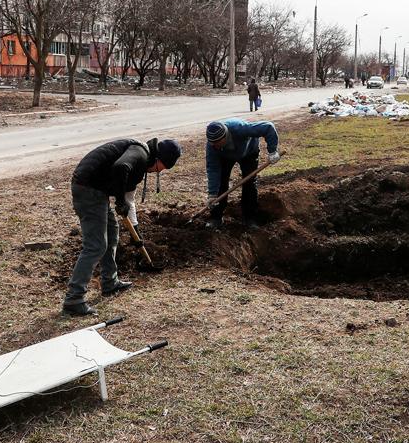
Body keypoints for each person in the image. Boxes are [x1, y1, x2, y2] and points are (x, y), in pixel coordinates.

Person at [62, 137, 182, 316]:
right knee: (96, 246)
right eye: (161, 168)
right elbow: (120, 167)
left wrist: (136, 233)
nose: (158, 172)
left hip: (97, 190)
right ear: (159, 160)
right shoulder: (140, 154)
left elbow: (129, 201)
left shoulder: (139, 163)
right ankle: (74, 299)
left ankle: (110, 282)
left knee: (112, 231)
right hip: (88, 189)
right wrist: (118, 200)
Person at [205, 118, 280, 230]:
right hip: (225, 156)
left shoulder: (240, 128)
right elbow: (213, 169)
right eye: (212, 143)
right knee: (221, 183)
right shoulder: (213, 147)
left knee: (249, 184)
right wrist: (212, 194)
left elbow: (268, 127)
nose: (214, 146)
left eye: (217, 143)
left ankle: (250, 218)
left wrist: (272, 151)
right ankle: (216, 218)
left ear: (225, 137)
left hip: (249, 152)